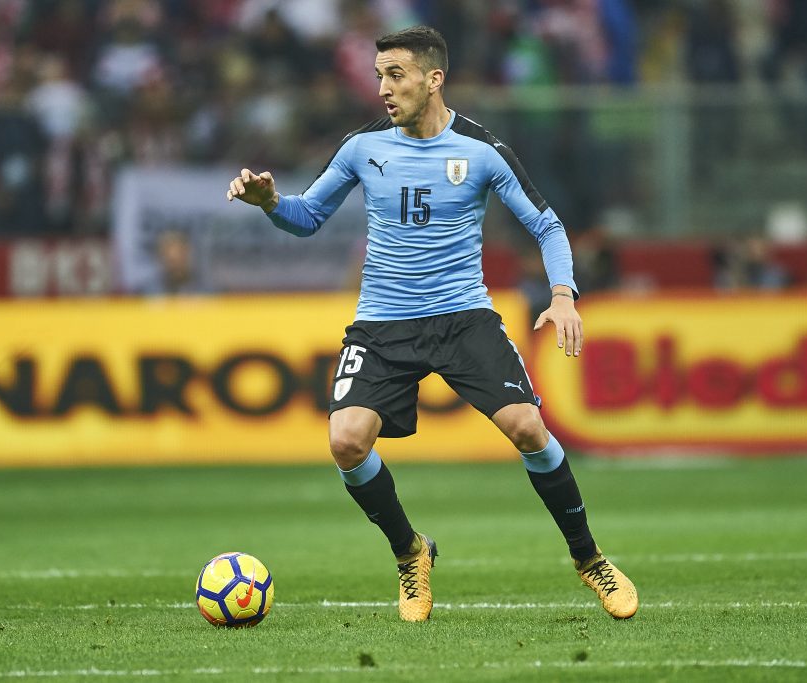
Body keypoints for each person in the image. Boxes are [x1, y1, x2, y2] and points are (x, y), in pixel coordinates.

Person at [226, 25, 637, 622]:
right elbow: (308, 216)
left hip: (463, 318)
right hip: (383, 324)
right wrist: (269, 203)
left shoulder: (480, 150)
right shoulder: (362, 147)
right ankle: (411, 553)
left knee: (527, 427)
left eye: (396, 76)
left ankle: (590, 559)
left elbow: (547, 226)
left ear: (432, 79)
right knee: (345, 441)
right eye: (379, 78)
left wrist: (564, 295)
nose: (384, 90)